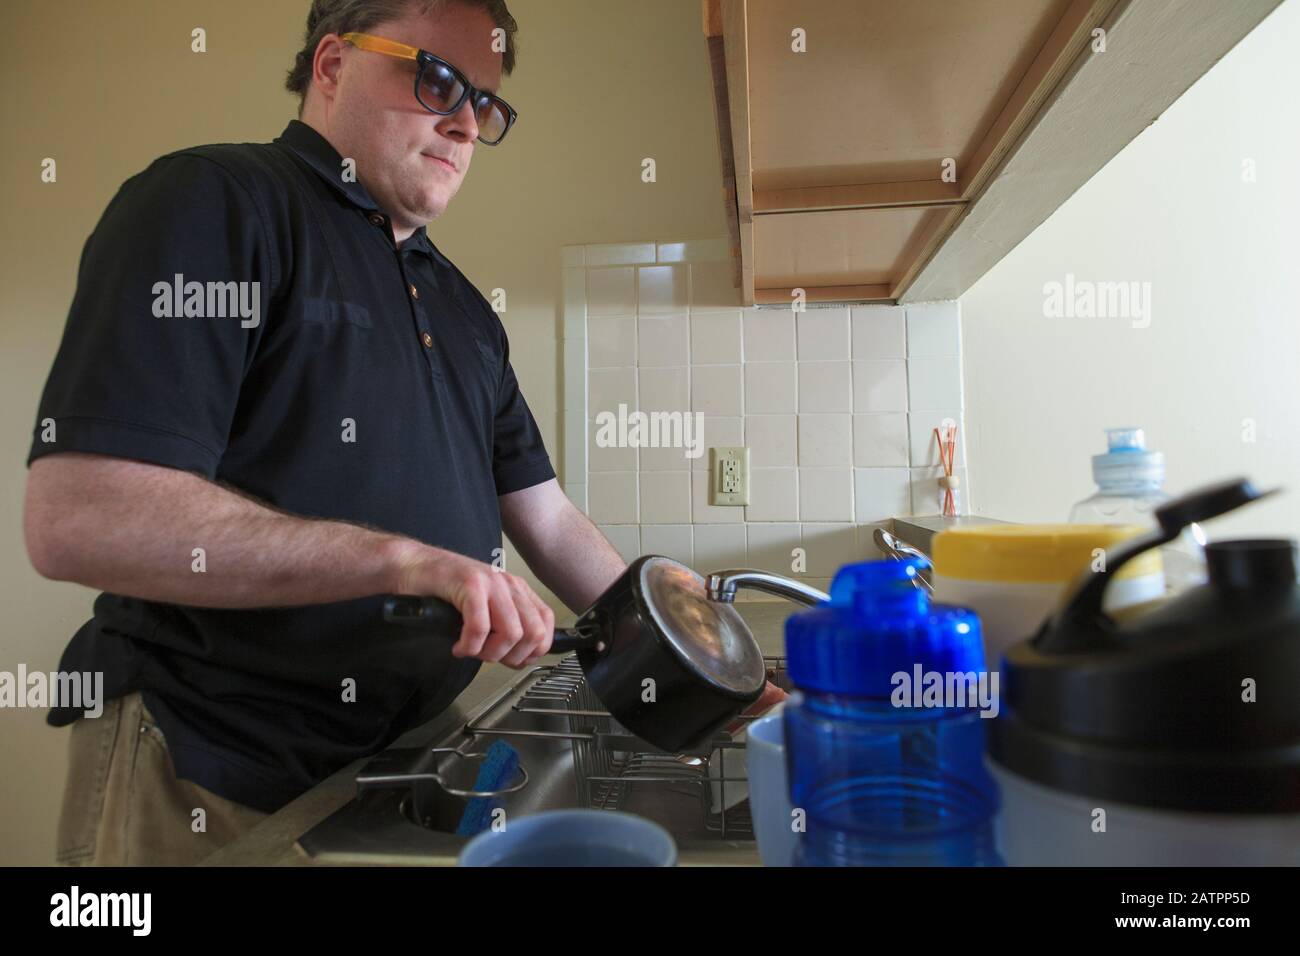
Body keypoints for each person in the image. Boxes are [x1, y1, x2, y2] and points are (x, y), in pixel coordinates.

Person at [23, 0, 630, 866]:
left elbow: (549, 518)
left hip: (403, 761)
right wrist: (404, 561)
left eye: (484, 103)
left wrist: (670, 630)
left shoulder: (462, 308)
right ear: (334, 64)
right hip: (208, 770)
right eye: (437, 78)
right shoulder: (213, 202)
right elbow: (79, 515)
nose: (464, 121)